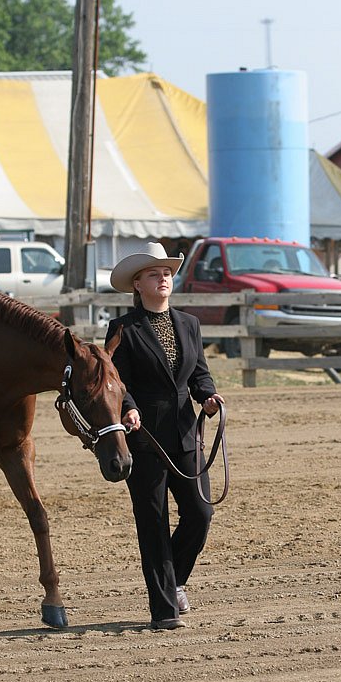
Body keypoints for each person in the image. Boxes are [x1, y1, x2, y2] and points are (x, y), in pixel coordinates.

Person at [105, 242, 225, 631]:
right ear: (137, 284)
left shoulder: (189, 324)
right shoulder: (122, 329)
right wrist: (129, 407)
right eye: (154, 274)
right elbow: (116, 381)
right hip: (143, 438)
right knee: (152, 521)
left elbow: (198, 374)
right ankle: (163, 611)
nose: (164, 279)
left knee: (200, 513)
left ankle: (174, 583)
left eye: (167, 274)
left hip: (186, 434)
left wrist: (207, 396)